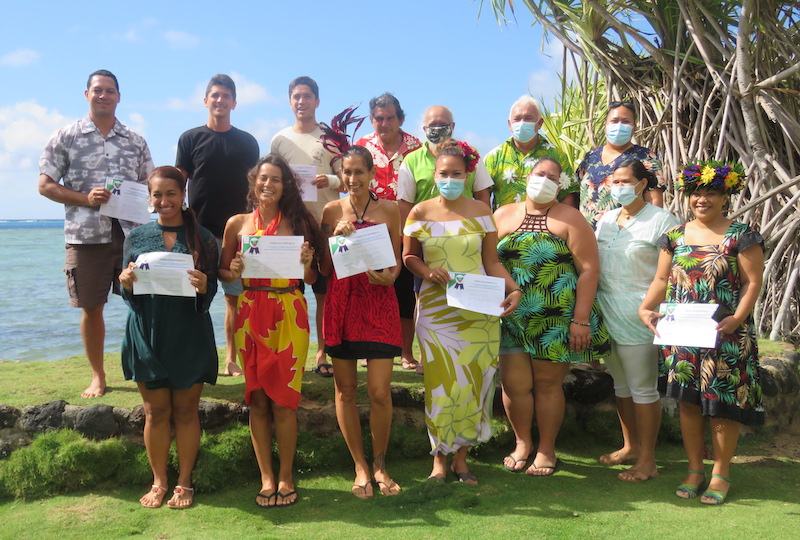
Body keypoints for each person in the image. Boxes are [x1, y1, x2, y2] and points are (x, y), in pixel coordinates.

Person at [639, 161, 764, 505]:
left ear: (725, 196)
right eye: (697, 194)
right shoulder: (675, 236)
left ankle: (721, 472)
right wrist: (645, 308)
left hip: (726, 333)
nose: (702, 200)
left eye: (711, 193)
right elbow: (662, 280)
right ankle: (695, 469)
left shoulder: (741, 235)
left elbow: (753, 281)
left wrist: (738, 318)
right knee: (689, 403)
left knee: (722, 403)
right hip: (683, 335)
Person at [403, 140, 521, 484]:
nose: (450, 178)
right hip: (436, 310)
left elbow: (491, 261)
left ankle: (462, 459)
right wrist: (426, 272)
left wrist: (513, 289)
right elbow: (409, 256)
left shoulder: (482, 212)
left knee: (475, 381)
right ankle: (439, 459)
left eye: (457, 173)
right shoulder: (419, 212)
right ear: (435, 174)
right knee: (439, 382)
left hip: (478, 311)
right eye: (443, 173)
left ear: (468, 175)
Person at [38, 69, 153, 398]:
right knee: (91, 307)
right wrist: (84, 198)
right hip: (85, 235)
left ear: (119, 97)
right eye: (98, 90)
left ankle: (148, 368)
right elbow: (45, 185)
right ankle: (98, 376)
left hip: (133, 236)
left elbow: (151, 186)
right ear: (86, 94)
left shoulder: (135, 140)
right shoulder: (66, 136)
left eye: (110, 91)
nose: (104, 95)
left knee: (145, 303)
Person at [219, 154, 324, 508]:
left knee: (283, 401)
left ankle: (286, 476)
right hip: (251, 312)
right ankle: (266, 476)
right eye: (262, 178)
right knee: (258, 399)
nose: (268, 184)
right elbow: (225, 275)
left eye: (276, 179)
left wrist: (309, 265)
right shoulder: (237, 224)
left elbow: (311, 279)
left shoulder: (298, 223)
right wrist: (232, 269)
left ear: (286, 186)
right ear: (253, 182)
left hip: (289, 312)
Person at [495, 157, 611, 475]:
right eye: (539, 174)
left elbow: (589, 270)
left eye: (552, 176)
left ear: (560, 184)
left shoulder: (571, 218)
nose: (544, 180)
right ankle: (522, 443)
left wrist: (581, 318)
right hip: (511, 316)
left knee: (548, 385)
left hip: (556, 317)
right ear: (526, 177)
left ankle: (546, 450)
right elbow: (487, 262)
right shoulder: (502, 215)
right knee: (513, 385)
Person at [119, 166, 219, 509]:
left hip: (188, 332)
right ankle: (159, 480)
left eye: (171, 194)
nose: (164, 201)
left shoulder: (203, 237)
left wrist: (206, 286)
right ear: (149, 198)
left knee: (187, 412)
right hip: (147, 332)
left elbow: (210, 294)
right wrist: (125, 282)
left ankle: (185, 481)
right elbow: (127, 293)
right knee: (155, 412)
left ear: (183, 195)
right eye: (157, 195)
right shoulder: (135, 238)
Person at [320, 146, 403, 498]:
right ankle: (360, 466)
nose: (352, 179)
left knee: (380, 392)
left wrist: (392, 277)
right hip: (342, 304)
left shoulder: (390, 210)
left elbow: (397, 261)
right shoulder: (331, 209)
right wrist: (335, 236)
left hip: (379, 302)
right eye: (346, 172)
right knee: (346, 391)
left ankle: (382, 464)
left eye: (358, 172)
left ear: (372, 174)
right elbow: (323, 269)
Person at [594, 159, 680, 482]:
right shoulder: (605, 219)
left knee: (643, 389)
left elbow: (670, 273)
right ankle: (629, 447)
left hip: (641, 315)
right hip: (606, 312)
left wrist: (651, 306)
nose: (618, 187)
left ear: (643, 184)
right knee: (620, 384)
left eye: (625, 180)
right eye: (614, 181)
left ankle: (648, 460)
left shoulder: (663, 222)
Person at [176, 74, 260, 378]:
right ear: (205, 100)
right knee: (191, 297)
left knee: (234, 299)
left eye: (226, 96)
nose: (220, 101)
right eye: (215, 95)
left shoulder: (248, 141)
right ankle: (187, 358)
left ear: (234, 103)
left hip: (237, 232)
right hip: (198, 231)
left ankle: (231, 358)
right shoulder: (189, 138)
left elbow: (256, 187)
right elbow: (178, 182)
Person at [271, 76, 342, 378]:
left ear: (317, 101)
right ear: (290, 102)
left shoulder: (331, 137)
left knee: (324, 294)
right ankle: (289, 351)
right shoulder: (279, 139)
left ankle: (323, 351)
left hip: (326, 224)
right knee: (289, 292)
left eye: (308, 96)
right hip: (292, 227)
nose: (302, 102)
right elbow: (271, 182)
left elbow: (346, 176)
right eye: (297, 97)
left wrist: (332, 180)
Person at [356, 93, 422, 371]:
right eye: (379, 118)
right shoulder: (362, 146)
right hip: (371, 232)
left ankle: (406, 353)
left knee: (406, 296)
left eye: (390, 118)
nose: (384, 123)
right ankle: (367, 348)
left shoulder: (417, 147)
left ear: (401, 119)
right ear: (372, 120)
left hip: (407, 233)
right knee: (369, 293)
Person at [397, 105, 492, 226]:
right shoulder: (411, 161)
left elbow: (482, 195)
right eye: (432, 125)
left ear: (452, 126)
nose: (437, 129)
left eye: (442, 124)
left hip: (467, 229)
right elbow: (405, 204)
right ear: (424, 129)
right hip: (427, 232)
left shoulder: (471, 154)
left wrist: (484, 226)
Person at [577, 100, 665, 229]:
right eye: (614, 121)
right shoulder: (591, 156)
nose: (619, 125)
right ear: (605, 125)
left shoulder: (645, 157)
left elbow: (654, 201)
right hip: (586, 237)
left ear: (634, 127)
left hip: (626, 236)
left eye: (625, 121)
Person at [484, 95, 577, 208]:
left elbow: (569, 194)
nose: (522, 123)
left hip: (546, 224)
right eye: (517, 119)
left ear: (539, 123)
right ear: (509, 124)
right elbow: (482, 195)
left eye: (528, 118)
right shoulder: (494, 157)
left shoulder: (557, 156)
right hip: (504, 224)